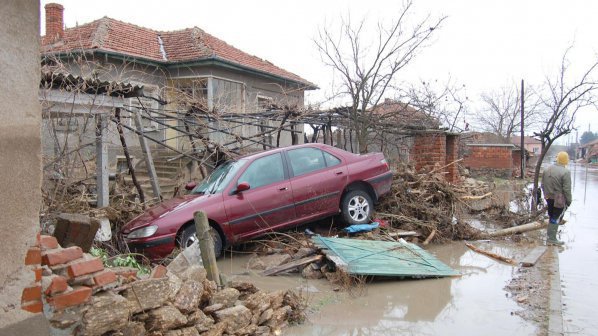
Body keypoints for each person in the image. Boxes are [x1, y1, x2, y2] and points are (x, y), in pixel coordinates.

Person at [541, 151, 572, 245]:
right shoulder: (566, 172)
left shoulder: (547, 169)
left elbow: (542, 184)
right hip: (559, 198)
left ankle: (550, 237)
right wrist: (569, 201)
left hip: (548, 196)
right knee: (556, 217)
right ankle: (552, 239)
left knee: (551, 216)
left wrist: (545, 195)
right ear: (566, 160)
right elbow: (566, 189)